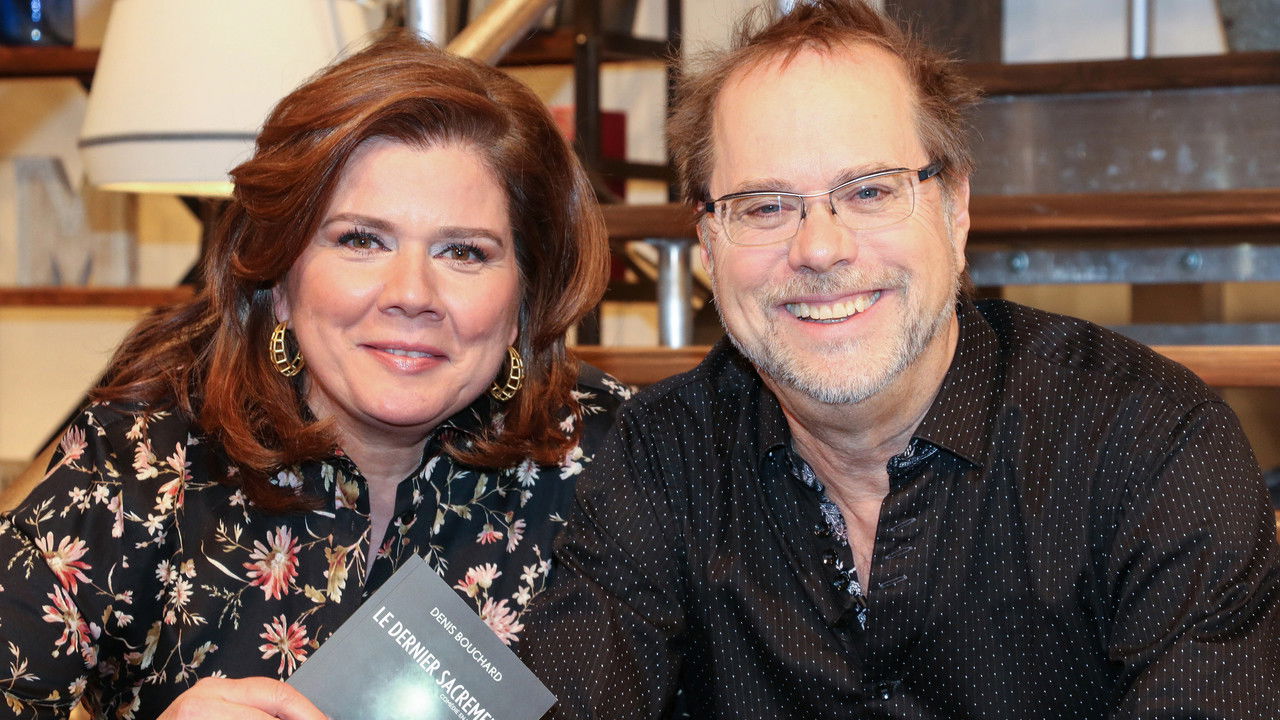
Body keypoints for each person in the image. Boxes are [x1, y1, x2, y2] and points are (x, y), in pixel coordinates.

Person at [521, 1, 1280, 717]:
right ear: (709, 246)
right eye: (765, 206)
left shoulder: (1148, 444)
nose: (820, 248)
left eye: (870, 192)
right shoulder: (665, 457)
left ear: (956, 210)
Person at [0, 31, 628, 719]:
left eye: (464, 253)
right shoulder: (150, 450)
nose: (411, 294)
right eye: (361, 240)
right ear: (280, 279)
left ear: (523, 301)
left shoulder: (620, 464)